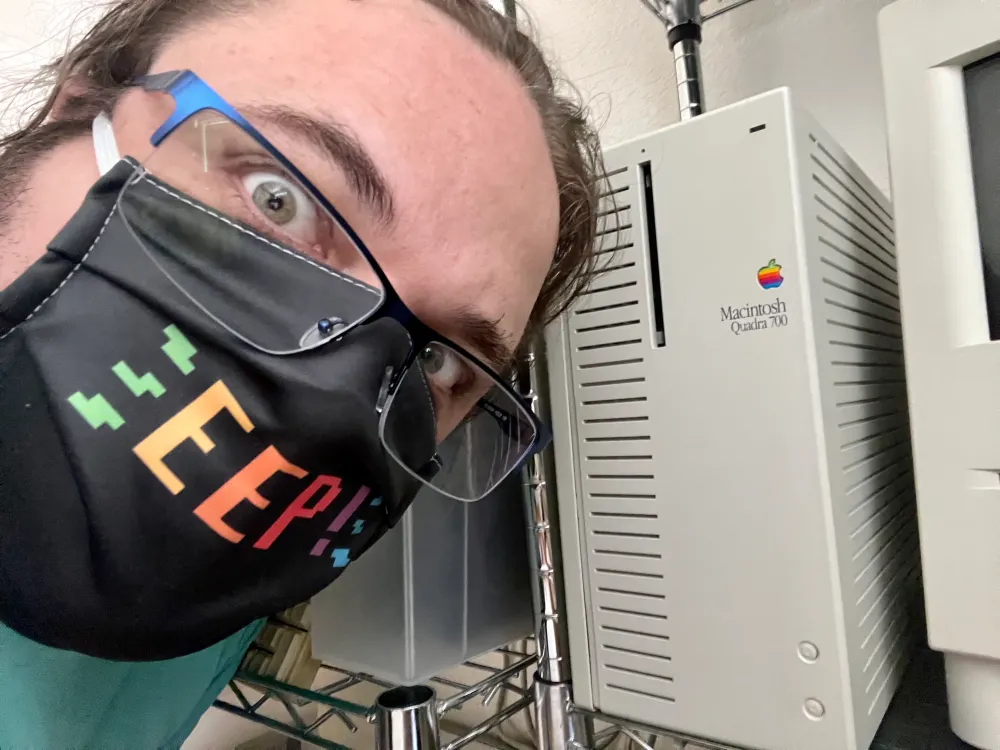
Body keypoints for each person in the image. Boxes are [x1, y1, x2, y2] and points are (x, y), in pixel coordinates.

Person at [0, 0, 603, 746]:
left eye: (437, 360)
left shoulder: (212, 575)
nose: (328, 402)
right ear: (75, 106)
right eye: (277, 201)